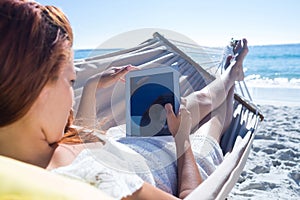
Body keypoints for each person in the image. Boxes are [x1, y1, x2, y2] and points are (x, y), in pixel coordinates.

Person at [0, 0, 248, 199]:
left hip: (131, 136)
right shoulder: (91, 181)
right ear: (40, 87)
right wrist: (182, 139)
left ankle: (228, 73)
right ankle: (232, 76)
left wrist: (92, 87)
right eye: (72, 81)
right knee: (214, 124)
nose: (70, 98)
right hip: (175, 160)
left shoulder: (31, 141)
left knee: (199, 99)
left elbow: (84, 138)